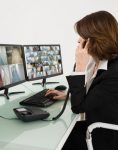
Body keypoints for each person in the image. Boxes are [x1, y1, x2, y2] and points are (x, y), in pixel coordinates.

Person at [45, 11, 118, 150]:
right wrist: (68, 95)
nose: (79, 41)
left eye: (83, 37)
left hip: (105, 137)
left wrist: (79, 68)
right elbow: (99, 95)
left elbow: (79, 107)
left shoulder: (114, 73)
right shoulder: (101, 62)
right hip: (96, 124)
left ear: (96, 40)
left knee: (53, 142)